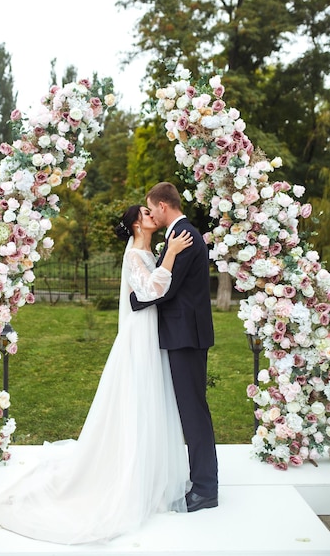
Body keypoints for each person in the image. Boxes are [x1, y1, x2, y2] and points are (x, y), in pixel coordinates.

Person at [0, 205, 193, 545]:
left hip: (149, 332)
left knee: (149, 399)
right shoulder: (136, 255)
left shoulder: (145, 250)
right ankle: (129, 475)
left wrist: (165, 254)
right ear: (137, 224)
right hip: (138, 336)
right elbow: (148, 293)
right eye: (146, 211)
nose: (153, 213)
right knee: (137, 398)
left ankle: (149, 473)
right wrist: (170, 255)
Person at [130, 182, 218, 513]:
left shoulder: (186, 237)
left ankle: (206, 488)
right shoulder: (178, 237)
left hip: (187, 336)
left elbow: (166, 290)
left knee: (193, 412)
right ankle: (203, 481)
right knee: (191, 410)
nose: (150, 214)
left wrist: (134, 302)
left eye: (152, 209)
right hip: (183, 334)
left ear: (164, 207)